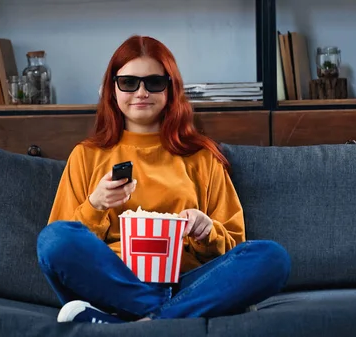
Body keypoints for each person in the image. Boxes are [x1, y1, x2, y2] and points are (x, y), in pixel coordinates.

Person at [36, 35, 291, 324]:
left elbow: (234, 245)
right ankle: (171, 315)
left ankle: (138, 323)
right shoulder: (86, 155)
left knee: (272, 257)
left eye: (154, 82)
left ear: (171, 89)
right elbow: (59, 246)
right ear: (112, 89)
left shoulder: (201, 156)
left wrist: (208, 230)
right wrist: (95, 204)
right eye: (129, 82)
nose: (142, 92)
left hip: (188, 280)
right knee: (53, 238)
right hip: (112, 283)